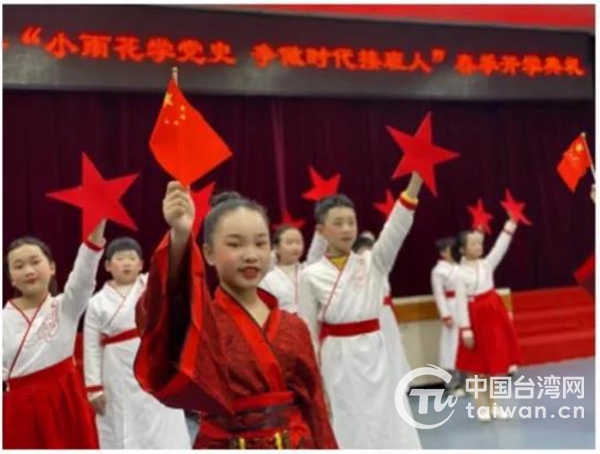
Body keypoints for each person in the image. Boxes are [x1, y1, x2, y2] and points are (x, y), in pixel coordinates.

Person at [133, 182, 337, 449]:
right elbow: (158, 315)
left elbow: (315, 409)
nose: (250, 255)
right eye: (235, 244)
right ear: (208, 253)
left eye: (260, 243)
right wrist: (180, 237)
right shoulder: (201, 322)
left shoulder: (293, 326)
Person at [298, 173, 423, 449]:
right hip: (337, 358)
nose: (346, 229)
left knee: (388, 417)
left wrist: (415, 184)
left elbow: (396, 228)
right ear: (321, 230)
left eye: (351, 222)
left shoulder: (373, 262)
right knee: (347, 421)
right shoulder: (310, 275)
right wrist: (315, 382)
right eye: (338, 223)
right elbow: (308, 333)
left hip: (376, 354)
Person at [3, 220, 106, 448]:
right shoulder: (3, 321)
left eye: (35, 262)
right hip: (20, 411)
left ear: (52, 267)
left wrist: (98, 223)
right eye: (18, 266)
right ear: (11, 278)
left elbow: (83, 275)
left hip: (65, 400)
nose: (28, 271)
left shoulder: (65, 306)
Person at [84, 236, 191, 448]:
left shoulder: (150, 286)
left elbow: (173, 271)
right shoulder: (97, 302)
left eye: (132, 258)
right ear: (107, 266)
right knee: (122, 423)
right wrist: (94, 387)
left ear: (141, 264)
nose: (126, 263)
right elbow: (91, 346)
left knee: (161, 418)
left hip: (153, 362)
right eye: (120, 258)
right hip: (116, 371)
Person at [455, 221, 523, 422]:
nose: (478, 246)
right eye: (473, 244)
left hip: (493, 315)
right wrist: (466, 329)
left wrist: (510, 225)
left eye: (479, 243)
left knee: (494, 363)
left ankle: (494, 405)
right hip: (475, 318)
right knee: (476, 366)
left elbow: (500, 247)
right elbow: (460, 302)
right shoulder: (459, 273)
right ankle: (481, 406)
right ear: (462, 249)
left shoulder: (486, 264)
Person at [259, 224, 327, 313]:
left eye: (298, 243)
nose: (295, 247)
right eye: (289, 243)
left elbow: (316, 253)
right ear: (276, 247)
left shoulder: (307, 271)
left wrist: (320, 235)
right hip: (282, 320)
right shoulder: (267, 279)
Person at [430, 236, 464, 396]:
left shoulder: (461, 266)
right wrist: (445, 315)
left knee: (465, 345)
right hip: (451, 308)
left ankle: (467, 382)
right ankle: (452, 384)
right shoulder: (439, 271)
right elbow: (439, 294)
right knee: (451, 346)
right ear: (443, 253)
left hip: (464, 306)